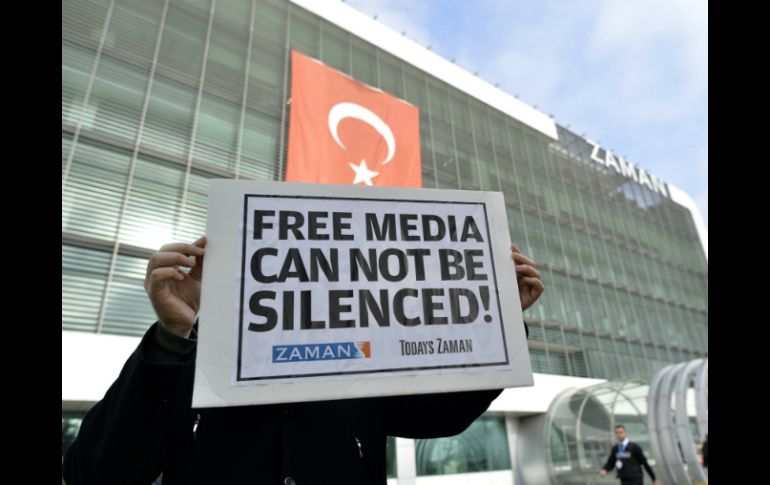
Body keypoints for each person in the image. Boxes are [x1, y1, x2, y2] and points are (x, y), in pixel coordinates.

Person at [63, 238, 543, 484]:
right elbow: (94, 473)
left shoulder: (360, 370)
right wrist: (172, 337)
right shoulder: (187, 368)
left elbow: (443, 415)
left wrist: (500, 321)